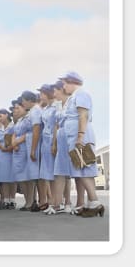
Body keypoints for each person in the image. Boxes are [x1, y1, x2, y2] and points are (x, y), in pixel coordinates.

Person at [60, 71, 104, 217]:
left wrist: (80, 136)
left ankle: (95, 203)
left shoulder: (81, 94)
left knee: (84, 168)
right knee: (82, 169)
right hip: (75, 136)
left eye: (65, 83)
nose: (63, 86)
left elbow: (83, 115)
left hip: (81, 136)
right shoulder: (74, 97)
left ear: (72, 82)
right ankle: (92, 202)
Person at [46, 80, 72, 214]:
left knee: (67, 173)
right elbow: (56, 125)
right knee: (60, 171)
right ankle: (58, 203)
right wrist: (54, 143)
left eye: (55, 90)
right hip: (60, 139)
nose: (53, 93)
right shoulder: (57, 105)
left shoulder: (71, 101)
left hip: (69, 138)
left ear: (61, 89)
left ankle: (68, 202)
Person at [21, 90, 42, 212]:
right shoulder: (33, 111)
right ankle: (31, 201)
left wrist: (33, 149)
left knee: (35, 175)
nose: (23, 103)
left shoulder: (35, 111)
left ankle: (35, 201)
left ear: (29, 100)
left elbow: (36, 130)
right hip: (30, 143)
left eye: (23, 101)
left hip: (35, 144)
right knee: (32, 175)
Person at [37, 84, 57, 213]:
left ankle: (57, 201)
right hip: (45, 141)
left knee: (55, 173)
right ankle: (53, 202)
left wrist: (54, 143)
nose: (40, 96)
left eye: (42, 93)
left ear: (48, 93)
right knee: (48, 173)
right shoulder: (46, 108)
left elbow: (57, 125)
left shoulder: (56, 106)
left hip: (52, 140)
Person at [0, 109, 16, 209]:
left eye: (0, 116)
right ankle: (6, 199)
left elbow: (14, 139)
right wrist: (1, 147)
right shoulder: (0, 129)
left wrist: (8, 148)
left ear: (7, 115)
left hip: (10, 154)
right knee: (4, 177)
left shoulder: (13, 126)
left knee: (12, 177)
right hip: (2, 154)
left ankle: (12, 199)